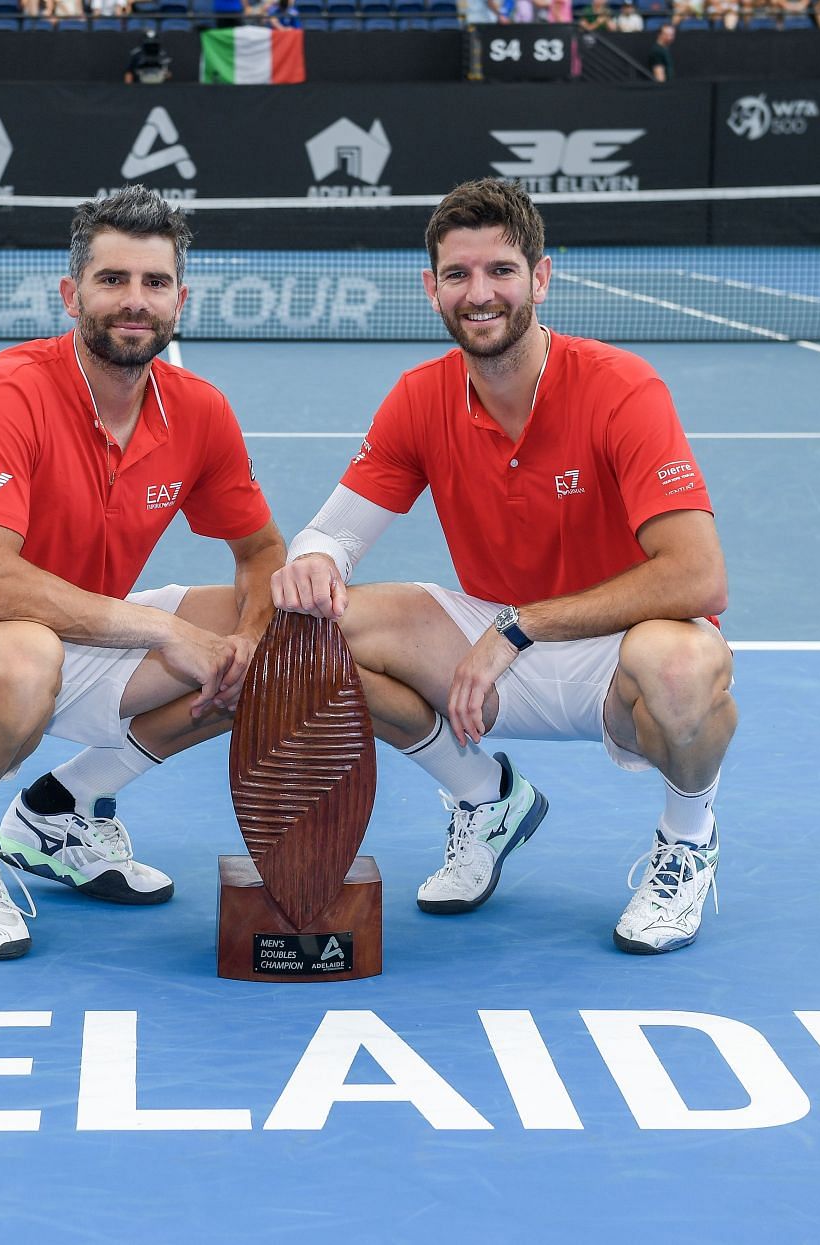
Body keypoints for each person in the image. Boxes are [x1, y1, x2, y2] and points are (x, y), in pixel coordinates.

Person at [272, 178, 736, 955]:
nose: (479, 293)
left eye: (501, 271)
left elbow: (699, 577)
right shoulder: (420, 399)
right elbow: (331, 534)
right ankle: (485, 799)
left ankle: (687, 839)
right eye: (458, 275)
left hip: (612, 657)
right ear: (432, 289)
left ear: (542, 278)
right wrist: (312, 563)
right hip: (484, 655)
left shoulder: (622, 389)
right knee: (317, 631)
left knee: (685, 662)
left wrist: (519, 628)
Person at [0, 186, 285, 962]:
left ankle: (59, 810)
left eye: (154, 283)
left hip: (84, 635)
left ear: (179, 299)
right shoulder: (10, 392)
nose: (135, 301)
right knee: (27, 654)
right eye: (113, 280)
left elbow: (261, 554)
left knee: (284, 638)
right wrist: (168, 632)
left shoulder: (199, 412)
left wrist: (251, 646)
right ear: (72, 295)